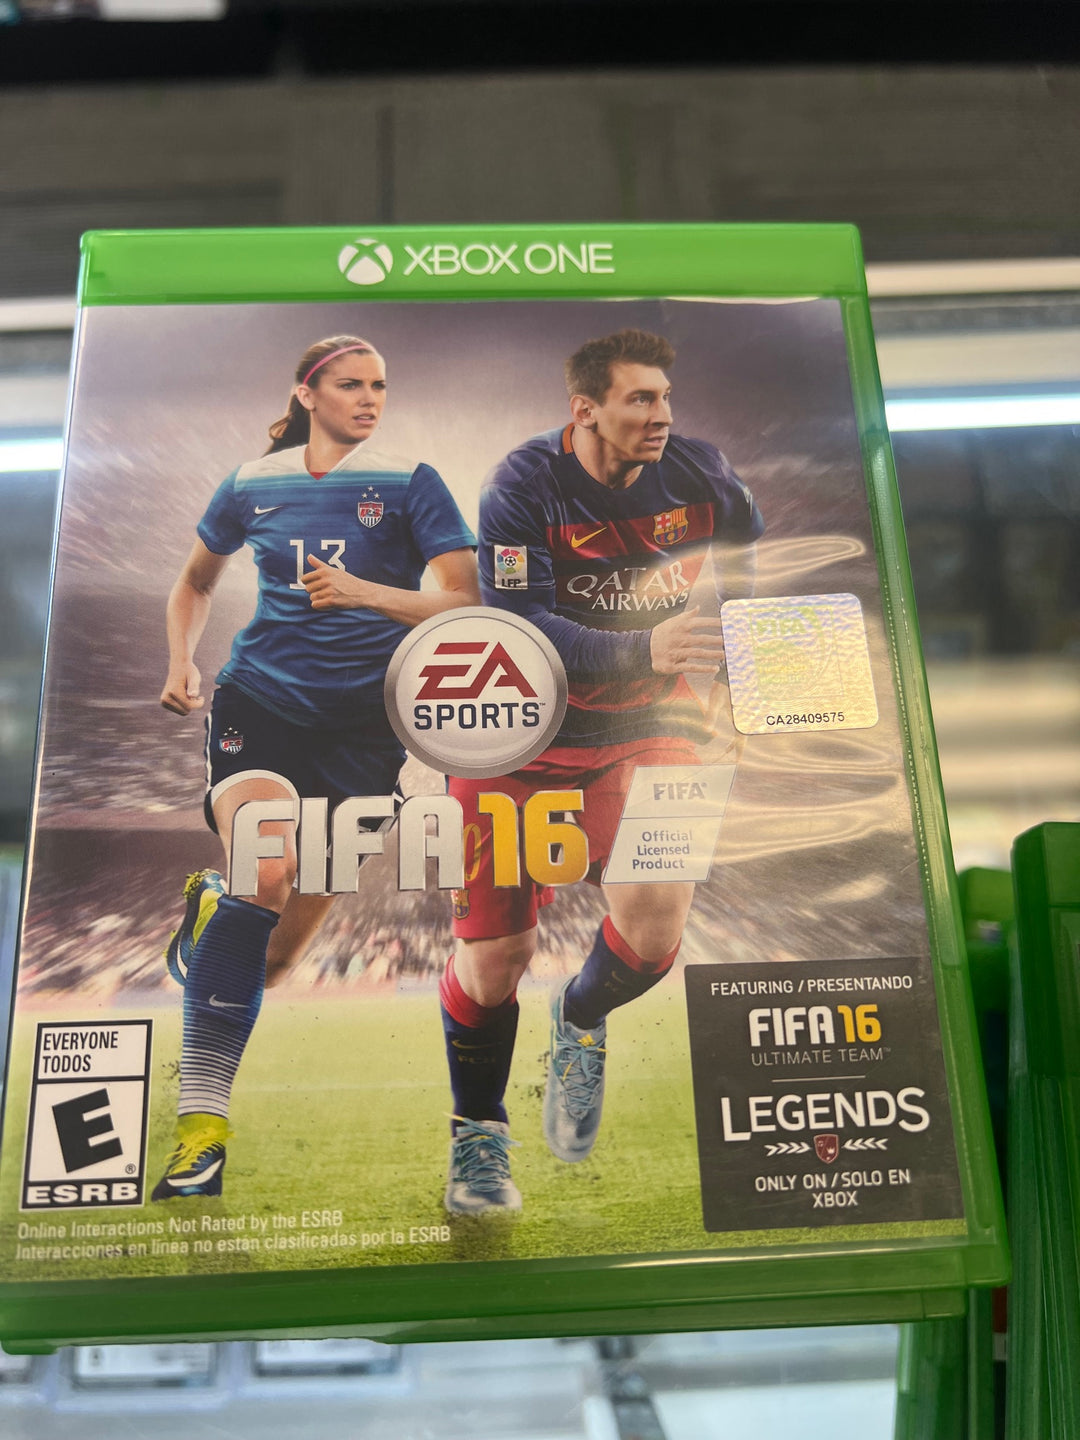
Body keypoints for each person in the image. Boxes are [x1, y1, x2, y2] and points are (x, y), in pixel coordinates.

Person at [441, 328, 764, 1214]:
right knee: (495, 963)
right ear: (585, 409)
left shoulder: (701, 474)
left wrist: (745, 679)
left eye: (665, 397)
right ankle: (479, 1135)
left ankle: (580, 1018)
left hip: (653, 724)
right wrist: (641, 645)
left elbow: (749, 557)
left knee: (655, 938)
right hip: (516, 736)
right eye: (640, 399)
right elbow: (520, 623)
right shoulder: (521, 486)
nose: (662, 415)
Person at [153, 334, 478, 1201]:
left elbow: (466, 601)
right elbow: (195, 582)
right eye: (350, 384)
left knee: (274, 961)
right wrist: (182, 660)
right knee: (267, 871)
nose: (370, 399)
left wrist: (367, 592)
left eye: (380, 385)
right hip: (261, 703)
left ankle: (210, 923)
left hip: (367, 733)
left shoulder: (412, 483)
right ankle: (202, 1135)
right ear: (307, 393)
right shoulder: (250, 483)